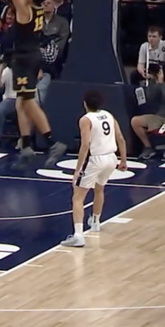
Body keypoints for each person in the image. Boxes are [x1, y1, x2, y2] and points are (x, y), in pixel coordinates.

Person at [5, 0, 66, 164]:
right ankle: (27, 145)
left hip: (23, 59)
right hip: (32, 57)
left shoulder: (24, 10)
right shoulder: (38, 4)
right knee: (22, 101)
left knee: (28, 102)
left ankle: (52, 142)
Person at [61, 90, 127, 248]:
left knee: (77, 196)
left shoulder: (86, 119)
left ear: (84, 103)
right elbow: (120, 138)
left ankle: (78, 236)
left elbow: (85, 145)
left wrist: (77, 169)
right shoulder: (109, 115)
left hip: (95, 158)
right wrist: (123, 159)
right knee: (99, 189)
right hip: (111, 157)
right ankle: (96, 222)